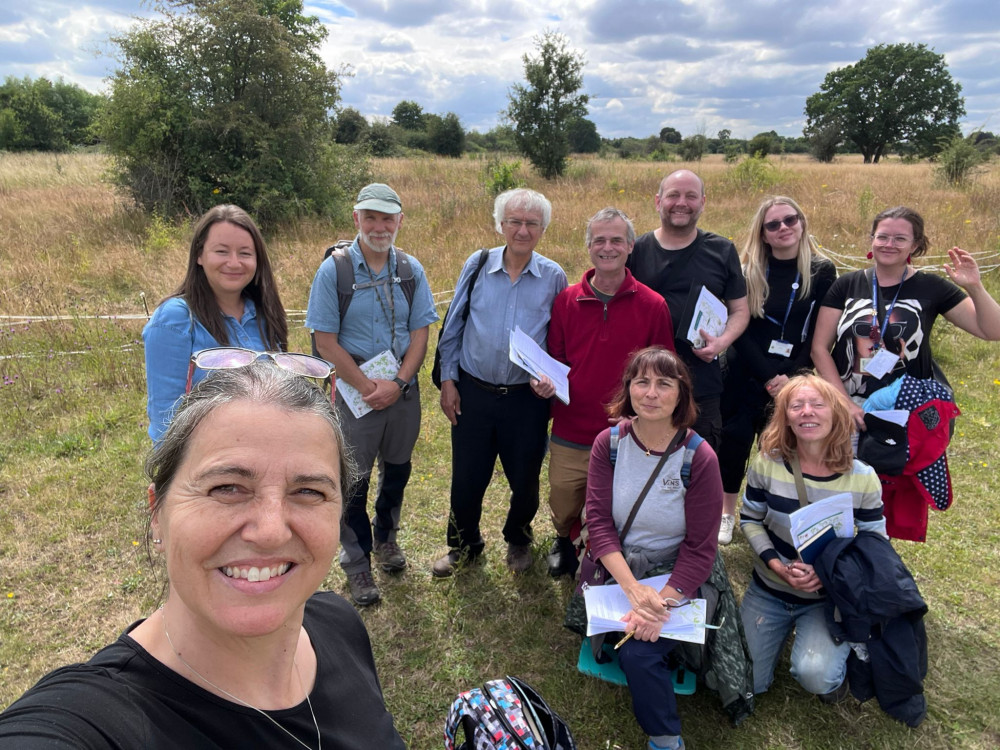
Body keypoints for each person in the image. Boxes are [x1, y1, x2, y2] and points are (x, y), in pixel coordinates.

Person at [0, 361, 406, 748]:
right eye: (226, 488)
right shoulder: (95, 721)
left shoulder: (340, 623)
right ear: (157, 513)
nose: (269, 531)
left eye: (308, 492)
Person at [306, 183, 438, 606]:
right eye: (371, 218)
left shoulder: (410, 269)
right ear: (356, 219)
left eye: (387, 218)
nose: (379, 227)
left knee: (397, 470)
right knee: (354, 480)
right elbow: (325, 340)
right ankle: (357, 562)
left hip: (402, 388)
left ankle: (387, 540)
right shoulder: (335, 271)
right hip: (352, 388)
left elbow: (421, 332)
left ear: (400, 221)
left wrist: (397, 383)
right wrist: (365, 388)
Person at [586, 347, 722, 750]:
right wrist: (633, 591)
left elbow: (700, 548)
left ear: (682, 394)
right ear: (628, 389)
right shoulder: (607, 444)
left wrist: (658, 605)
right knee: (626, 636)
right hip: (622, 568)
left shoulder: (699, 457)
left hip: (678, 571)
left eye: (664, 384)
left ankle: (665, 740)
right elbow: (599, 525)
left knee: (638, 653)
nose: (650, 393)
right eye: (641, 382)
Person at [433, 188, 567, 577]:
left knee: (525, 478)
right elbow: (453, 326)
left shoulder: (553, 276)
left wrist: (551, 380)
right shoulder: (476, 265)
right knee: (467, 476)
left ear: (543, 228)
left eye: (531, 223)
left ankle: (519, 540)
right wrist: (448, 380)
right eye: (514, 221)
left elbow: (558, 339)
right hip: (473, 392)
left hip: (526, 399)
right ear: (501, 224)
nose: (522, 230)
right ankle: (463, 544)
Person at [545, 207, 675, 577]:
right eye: (599, 240)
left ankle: (604, 549)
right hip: (572, 427)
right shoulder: (567, 300)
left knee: (617, 501)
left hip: (629, 430)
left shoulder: (653, 304)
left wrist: (639, 416)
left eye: (616, 240)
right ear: (588, 247)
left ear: (630, 245)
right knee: (564, 496)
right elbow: (555, 357)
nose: (608, 247)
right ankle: (564, 536)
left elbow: (663, 371)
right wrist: (545, 382)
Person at [739, 374, 885, 700]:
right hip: (770, 588)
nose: (807, 412)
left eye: (817, 404)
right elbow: (750, 519)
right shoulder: (766, 465)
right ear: (786, 418)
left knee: (816, 677)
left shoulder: (863, 479)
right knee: (746, 683)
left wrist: (824, 574)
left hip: (829, 598)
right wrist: (776, 566)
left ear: (835, 414)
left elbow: (876, 544)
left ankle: (842, 651)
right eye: (797, 405)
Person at [812, 205, 1000, 430]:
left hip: (909, 408)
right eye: (882, 237)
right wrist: (843, 403)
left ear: (915, 245)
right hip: (847, 406)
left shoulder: (932, 287)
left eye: (900, 238)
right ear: (872, 239)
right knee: (845, 465)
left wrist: (975, 287)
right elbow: (819, 349)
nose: (889, 245)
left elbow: (992, 331)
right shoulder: (847, 284)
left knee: (900, 466)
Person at [716, 197, 837, 545]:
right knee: (734, 443)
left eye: (790, 220)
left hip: (794, 373)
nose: (783, 228)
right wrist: (769, 376)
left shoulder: (822, 270)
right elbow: (740, 327)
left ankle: (773, 511)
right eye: (773, 224)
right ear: (763, 234)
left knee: (784, 446)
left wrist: (795, 374)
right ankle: (726, 513)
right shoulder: (747, 269)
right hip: (745, 371)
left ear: (801, 223)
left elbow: (819, 332)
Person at [627, 169, 749, 451]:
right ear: (658, 201)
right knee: (646, 466)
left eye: (691, 196)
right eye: (673, 195)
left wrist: (722, 342)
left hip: (701, 385)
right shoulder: (636, 250)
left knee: (698, 472)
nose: (681, 202)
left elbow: (740, 310)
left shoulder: (722, 250)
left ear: (703, 202)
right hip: (646, 387)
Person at [142, 204, 287, 441]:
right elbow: (165, 418)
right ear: (199, 255)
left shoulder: (265, 315)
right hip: (210, 464)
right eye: (221, 251)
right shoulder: (175, 319)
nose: (234, 262)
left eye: (245, 253)